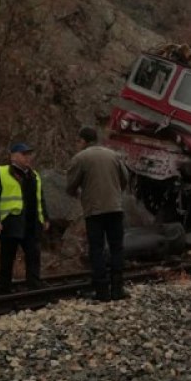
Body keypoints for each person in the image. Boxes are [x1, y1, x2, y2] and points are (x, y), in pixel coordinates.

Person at [66, 126, 130, 301]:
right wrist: (115, 193)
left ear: (84, 141)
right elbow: (125, 178)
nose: (77, 144)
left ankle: (102, 291)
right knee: (117, 248)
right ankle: (118, 289)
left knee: (97, 249)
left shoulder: (81, 158)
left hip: (94, 211)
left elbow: (70, 185)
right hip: (115, 209)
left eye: (78, 141)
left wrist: (80, 194)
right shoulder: (114, 155)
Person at [0, 142, 50, 294]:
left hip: (32, 223)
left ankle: (33, 286)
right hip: (11, 222)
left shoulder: (34, 176)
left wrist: (45, 217)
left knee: (33, 255)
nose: (27, 158)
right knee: (7, 257)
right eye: (23, 154)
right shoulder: (1, 173)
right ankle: (4, 288)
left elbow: (41, 199)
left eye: (29, 154)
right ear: (13, 156)